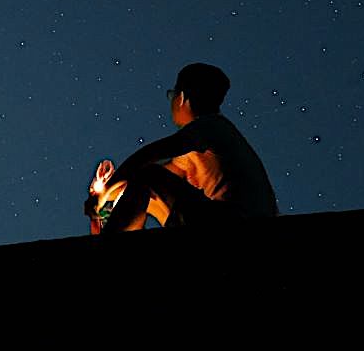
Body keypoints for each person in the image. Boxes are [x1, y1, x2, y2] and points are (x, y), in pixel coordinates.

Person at [85, 63, 278, 233]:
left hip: (235, 221)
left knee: (148, 174)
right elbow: (146, 185)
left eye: (172, 94)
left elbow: (147, 157)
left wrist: (104, 193)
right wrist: (102, 195)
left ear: (182, 97)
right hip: (229, 218)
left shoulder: (209, 127)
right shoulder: (207, 141)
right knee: (143, 190)